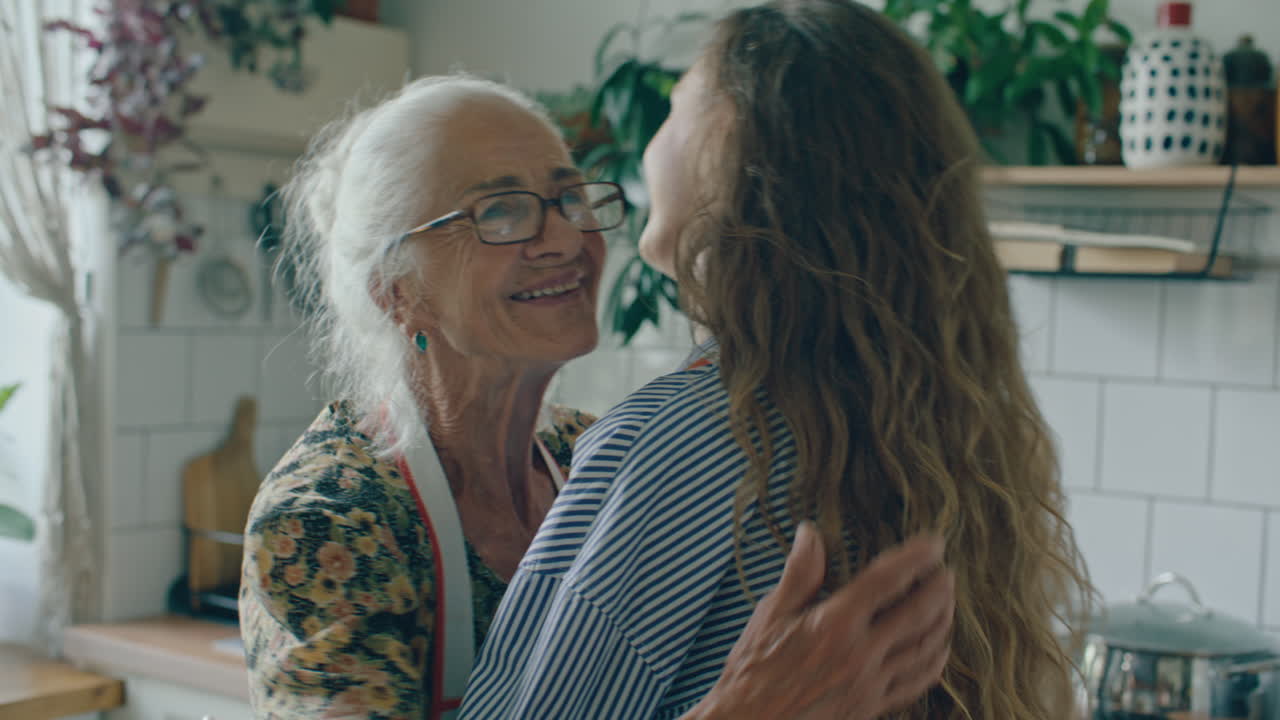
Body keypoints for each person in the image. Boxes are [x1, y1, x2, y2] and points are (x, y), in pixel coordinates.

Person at [240, 73, 955, 719]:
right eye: (500, 211)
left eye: (569, 197)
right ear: (400, 294)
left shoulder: (596, 457)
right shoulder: (329, 516)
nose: (565, 237)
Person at [460, 1, 1093, 719]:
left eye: (674, 108)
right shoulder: (943, 434)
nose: (647, 147)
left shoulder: (677, 443)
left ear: (731, 140)